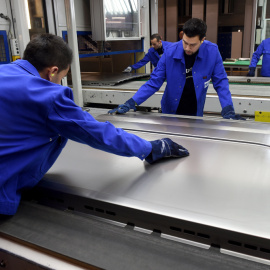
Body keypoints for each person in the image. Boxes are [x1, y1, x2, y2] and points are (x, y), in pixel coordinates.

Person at [0, 34, 189, 216]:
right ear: (53, 72)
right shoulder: (48, 96)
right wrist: (150, 148)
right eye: (61, 79)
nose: (59, 84)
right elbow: (96, 132)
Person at [109, 18, 244, 120]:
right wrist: (131, 102)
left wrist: (228, 108)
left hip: (195, 109)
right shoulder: (170, 53)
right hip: (170, 110)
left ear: (203, 40)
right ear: (182, 35)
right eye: (185, 42)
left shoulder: (212, 52)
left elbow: (221, 82)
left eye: (192, 45)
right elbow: (154, 82)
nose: (187, 48)